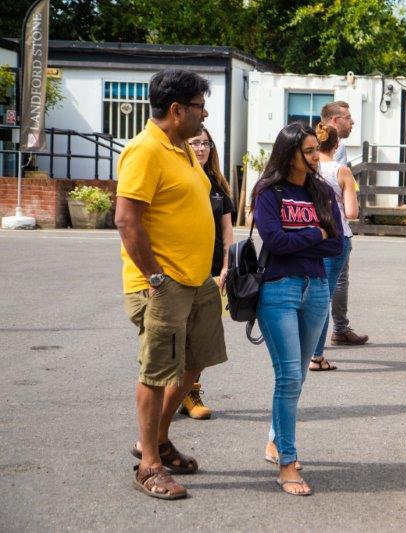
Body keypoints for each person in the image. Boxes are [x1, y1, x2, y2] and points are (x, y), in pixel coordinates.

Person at [115, 69, 227, 500]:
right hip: (162, 284)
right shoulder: (144, 150)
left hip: (196, 279)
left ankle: (158, 440)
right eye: (199, 106)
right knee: (158, 371)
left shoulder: (181, 150)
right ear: (177, 109)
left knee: (195, 362)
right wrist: (155, 277)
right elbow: (127, 220)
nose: (204, 115)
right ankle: (149, 465)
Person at [253, 122, 343, 496]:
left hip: (316, 289)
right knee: (289, 376)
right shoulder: (268, 192)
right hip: (278, 290)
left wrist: (302, 240)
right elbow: (272, 239)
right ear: (288, 152)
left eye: (314, 150)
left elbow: (336, 243)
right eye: (306, 151)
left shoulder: (321, 190)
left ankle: (275, 439)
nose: (313, 157)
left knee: (298, 378)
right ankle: (287, 463)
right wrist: (315, 235)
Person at [178, 127, 235, 419]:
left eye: (205, 143)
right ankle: (170, 391)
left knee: (201, 339)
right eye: (195, 143)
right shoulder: (179, 176)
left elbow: (227, 233)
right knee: (176, 336)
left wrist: (226, 266)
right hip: (179, 271)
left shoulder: (218, 183)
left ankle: (190, 391)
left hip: (211, 271)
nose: (201, 148)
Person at [309, 123, 359, 371]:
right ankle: (316, 356)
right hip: (338, 237)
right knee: (325, 296)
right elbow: (351, 212)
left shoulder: (308, 169)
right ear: (337, 145)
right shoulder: (342, 171)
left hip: (309, 237)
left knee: (309, 294)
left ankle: (307, 350)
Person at [318, 101, 368, 346]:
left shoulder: (311, 149)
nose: (352, 121)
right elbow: (349, 208)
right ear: (334, 121)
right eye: (347, 117)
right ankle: (337, 329)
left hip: (313, 229)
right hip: (335, 230)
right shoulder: (334, 154)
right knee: (333, 282)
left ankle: (330, 332)